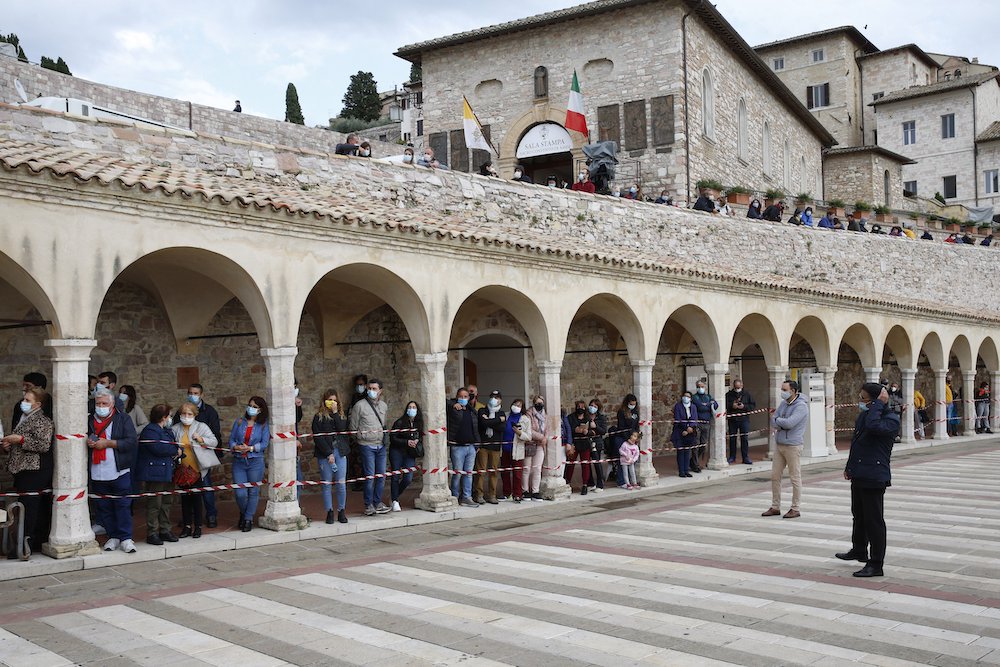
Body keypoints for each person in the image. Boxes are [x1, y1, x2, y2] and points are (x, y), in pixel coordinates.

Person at [836, 382, 899, 578]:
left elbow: (873, 428)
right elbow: (857, 443)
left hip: (875, 475)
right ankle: (859, 549)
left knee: (874, 521)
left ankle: (876, 563)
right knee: (859, 514)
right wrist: (849, 467)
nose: (860, 402)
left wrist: (879, 404)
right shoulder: (865, 416)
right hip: (860, 472)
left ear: (875, 400)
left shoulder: (891, 419)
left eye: (864, 398)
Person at [1, 387, 53, 557]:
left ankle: (26, 543)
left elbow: (43, 445)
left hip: (33, 470)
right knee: (24, 505)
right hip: (21, 468)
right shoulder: (24, 417)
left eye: (28, 401)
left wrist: (21, 439)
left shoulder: (43, 421)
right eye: (24, 399)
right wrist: (9, 445)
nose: (24, 403)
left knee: (30, 507)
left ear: (38, 404)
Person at [88, 388, 138, 553]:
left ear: (112, 404)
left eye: (104, 403)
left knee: (122, 505)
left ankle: (126, 538)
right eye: (98, 403)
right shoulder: (88, 420)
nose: (101, 406)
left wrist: (108, 443)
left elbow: (131, 442)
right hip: (97, 471)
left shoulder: (122, 419)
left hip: (118, 470)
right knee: (104, 506)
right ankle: (113, 536)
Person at [175, 384, 222, 528]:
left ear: (201, 394)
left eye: (195, 393)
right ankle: (189, 520)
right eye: (190, 392)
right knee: (187, 495)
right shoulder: (179, 417)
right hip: (184, 464)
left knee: (206, 489)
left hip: (200, 461)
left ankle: (211, 515)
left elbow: (215, 436)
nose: (192, 395)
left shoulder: (209, 412)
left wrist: (202, 440)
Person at [763, 380, 808, 519]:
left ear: (793, 391)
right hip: (780, 444)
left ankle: (795, 508)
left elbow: (790, 423)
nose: (782, 392)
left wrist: (779, 422)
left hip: (793, 445)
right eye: (782, 389)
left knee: (795, 477)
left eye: (785, 389)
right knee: (775, 476)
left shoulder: (801, 406)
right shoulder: (783, 404)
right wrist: (780, 422)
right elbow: (773, 419)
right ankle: (775, 506)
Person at [136, 404, 178, 545]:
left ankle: (165, 530)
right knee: (155, 503)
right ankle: (152, 532)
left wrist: (178, 451)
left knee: (167, 502)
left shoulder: (167, 430)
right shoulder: (150, 431)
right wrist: (175, 450)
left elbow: (174, 446)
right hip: (155, 473)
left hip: (168, 471)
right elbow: (159, 448)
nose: (170, 418)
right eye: (169, 415)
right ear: (163, 417)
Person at [348, 378, 390, 516]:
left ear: (380, 391)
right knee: (370, 476)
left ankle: (377, 502)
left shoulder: (383, 406)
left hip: (380, 445)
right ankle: (368, 505)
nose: (371, 391)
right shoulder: (360, 405)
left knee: (381, 476)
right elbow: (353, 427)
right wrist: (361, 438)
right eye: (369, 388)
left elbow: (384, 424)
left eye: (374, 389)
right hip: (366, 445)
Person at [228, 396, 270, 532]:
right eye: (250, 405)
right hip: (239, 461)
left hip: (255, 461)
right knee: (240, 493)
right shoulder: (240, 422)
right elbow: (232, 440)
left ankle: (248, 519)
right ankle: (244, 512)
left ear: (260, 410)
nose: (251, 408)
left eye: (255, 407)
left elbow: (264, 444)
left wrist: (251, 448)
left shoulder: (263, 425)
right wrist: (236, 447)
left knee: (253, 491)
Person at [313, 390, 350, 523]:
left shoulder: (340, 415)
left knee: (341, 483)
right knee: (327, 484)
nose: (332, 402)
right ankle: (329, 511)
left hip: (340, 452)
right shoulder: (318, 417)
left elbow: (342, 429)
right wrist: (328, 453)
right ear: (324, 401)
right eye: (329, 400)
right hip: (325, 453)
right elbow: (318, 438)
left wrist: (335, 413)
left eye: (334, 400)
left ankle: (341, 510)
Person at [388, 400, 423, 513]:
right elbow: (393, 438)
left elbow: (421, 436)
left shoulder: (419, 423)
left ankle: (395, 495)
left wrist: (417, 441)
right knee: (396, 476)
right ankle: (395, 501)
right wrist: (406, 442)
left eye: (414, 407)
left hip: (409, 453)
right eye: (410, 407)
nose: (411, 409)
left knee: (408, 478)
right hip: (397, 451)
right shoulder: (399, 422)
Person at [447, 387, 478, 507]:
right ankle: (454, 496)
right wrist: (454, 403)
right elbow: (444, 402)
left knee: (468, 473)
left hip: (470, 446)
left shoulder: (471, 411)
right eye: (461, 397)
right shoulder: (454, 408)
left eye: (466, 397)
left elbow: (475, 428)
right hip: (457, 447)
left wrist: (477, 443)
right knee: (457, 473)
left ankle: (466, 497)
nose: (463, 399)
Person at [473, 390, 505, 504]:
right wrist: (497, 421)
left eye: (497, 397)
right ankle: (479, 494)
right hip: (484, 445)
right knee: (481, 471)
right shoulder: (482, 410)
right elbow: (483, 423)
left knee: (493, 472)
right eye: (493, 397)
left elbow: (502, 428)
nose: (494, 399)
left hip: (495, 447)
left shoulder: (501, 413)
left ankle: (492, 495)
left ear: (500, 400)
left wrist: (489, 420)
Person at [565, 401, 593, 493]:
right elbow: (568, 429)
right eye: (578, 406)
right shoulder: (571, 417)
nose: (580, 408)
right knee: (570, 464)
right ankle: (567, 482)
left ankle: (585, 484)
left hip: (585, 442)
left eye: (582, 407)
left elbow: (592, 431)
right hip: (574, 442)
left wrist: (586, 432)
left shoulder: (588, 417)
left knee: (585, 464)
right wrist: (575, 430)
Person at [725, 379, 755, 464]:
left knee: (744, 438)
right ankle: (732, 457)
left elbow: (752, 405)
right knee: (732, 438)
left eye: (739, 386)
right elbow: (725, 404)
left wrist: (744, 406)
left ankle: (745, 457)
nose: (737, 388)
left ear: (742, 385)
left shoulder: (747, 394)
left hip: (744, 419)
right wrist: (732, 406)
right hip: (733, 420)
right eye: (736, 386)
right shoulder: (728, 395)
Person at [691, 380, 718, 473]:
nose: (700, 388)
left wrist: (708, 404)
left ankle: (693, 461)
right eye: (699, 386)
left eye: (702, 386)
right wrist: (708, 405)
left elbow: (716, 404)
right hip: (698, 424)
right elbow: (700, 407)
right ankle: (695, 465)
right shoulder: (695, 397)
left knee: (703, 445)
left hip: (707, 423)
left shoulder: (708, 396)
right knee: (696, 445)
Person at [612, 395, 639, 487]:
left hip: (632, 439)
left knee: (631, 460)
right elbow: (622, 427)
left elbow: (636, 426)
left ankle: (632, 480)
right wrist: (628, 439)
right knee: (623, 461)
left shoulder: (635, 412)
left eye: (634, 404)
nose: (632, 406)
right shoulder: (622, 412)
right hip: (623, 438)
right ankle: (621, 481)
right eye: (631, 404)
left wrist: (635, 437)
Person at [671, 391, 699, 478]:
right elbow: (678, 419)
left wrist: (690, 428)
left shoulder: (693, 407)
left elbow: (694, 418)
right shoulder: (678, 406)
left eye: (688, 396)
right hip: (680, 431)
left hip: (690, 432)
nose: (686, 398)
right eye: (684, 396)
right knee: (681, 451)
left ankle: (686, 470)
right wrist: (685, 428)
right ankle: (681, 471)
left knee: (687, 451)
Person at [523, 396, 545, 501]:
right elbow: (529, 430)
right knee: (527, 468)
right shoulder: (528, 414)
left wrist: (545, 438)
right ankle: (525, 490)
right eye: (537, 403)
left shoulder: (545, 415)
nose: (539, 405)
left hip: (540, 445)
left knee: (537, 468)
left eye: (541, 403)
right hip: (530, 443)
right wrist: (541, 437)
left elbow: (547, 428)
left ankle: (535, 491)